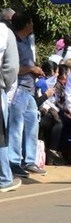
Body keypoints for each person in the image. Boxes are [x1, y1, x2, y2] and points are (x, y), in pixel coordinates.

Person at [7, 12, 47, 177]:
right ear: (26, 24)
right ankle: (13, 162)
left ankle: (29, 161)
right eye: (31, 22)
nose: (32, 25)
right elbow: (13, 68)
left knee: (32, 127)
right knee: (16, 128)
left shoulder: (27, 42)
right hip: (18, 90)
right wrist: (31, 69)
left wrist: (35, 69)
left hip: (30, 90)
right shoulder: (14, 43)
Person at [0, 21, 20, 193]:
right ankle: (4, 178)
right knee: (1, 135)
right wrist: (4, 85)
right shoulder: (5, 32)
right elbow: (12, 67)